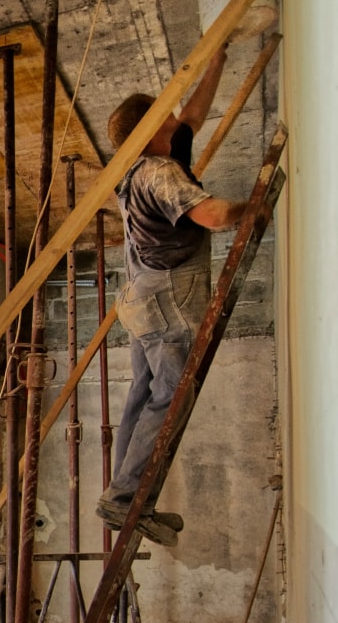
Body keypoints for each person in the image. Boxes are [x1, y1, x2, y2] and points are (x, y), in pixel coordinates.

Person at [96, 43, 249, 547]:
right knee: (166, 399)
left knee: (141, 396)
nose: (175, 120)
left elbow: (194, 115)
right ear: (151, 128)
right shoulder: (158, 172)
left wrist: (218, 58)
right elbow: (215, 217)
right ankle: (123, 500)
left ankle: (122, 496)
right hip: (166, 302)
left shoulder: (147, 163)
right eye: (165, 117)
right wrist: (256, 204)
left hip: (141, 297)